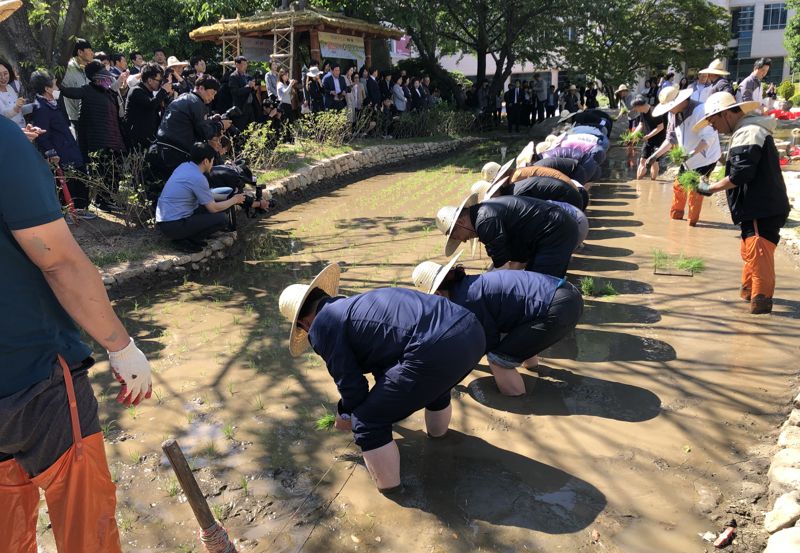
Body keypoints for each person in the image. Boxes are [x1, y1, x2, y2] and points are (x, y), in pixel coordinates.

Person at [0, 104, 152, 553]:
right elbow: (58, 260)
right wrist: (121, 346)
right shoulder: (5, 142)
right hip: (34, 375)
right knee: (88, 529)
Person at [278, 263, 485, 492]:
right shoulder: (356, 305)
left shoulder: (323, 325)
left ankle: (394, 497)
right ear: (325, 295)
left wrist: (348, 415)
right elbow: (386, 366)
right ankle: (440, 440)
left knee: (368, 422)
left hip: (434, 349)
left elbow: (351, 384)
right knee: (432, 384)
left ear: (303, 323)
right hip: (471, 330)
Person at [412, 252, 582, 396]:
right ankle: (533, 367)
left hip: (556, 309)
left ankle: (519, 402)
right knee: (516, 334)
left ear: (437, 293)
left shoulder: (466, 300)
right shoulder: (472, 283)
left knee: (498, 359)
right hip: (568, 294)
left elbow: (486, 341)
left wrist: (454, 372)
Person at [693, 92, 790, 314]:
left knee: (759, 253)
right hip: (759, 206)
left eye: (714, 121)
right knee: (750, 252)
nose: (714, 127)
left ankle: (761, 304)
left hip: (760, 207)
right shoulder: (748, 130)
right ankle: (749, 294)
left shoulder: (748, 132)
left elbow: (741, 174)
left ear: (726, 114)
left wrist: (710, 188)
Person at [437, 193, 578, 277]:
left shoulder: (485, 221)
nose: (463, 241)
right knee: (533, 279)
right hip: (556, 227)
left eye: (456, 236)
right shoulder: (484, 213)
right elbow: (512, 261)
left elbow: (503, 269)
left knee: (541, 282)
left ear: (461, 221)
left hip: (554, 231)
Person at [156, 142, 264, 250]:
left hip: (166, 222)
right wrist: (234, 200)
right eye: (212, 160)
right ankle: (183, 240)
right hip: (174, 224)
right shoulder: (198, 177)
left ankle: (189, 238)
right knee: (222, 219)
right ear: (206, 161)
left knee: (220, 206)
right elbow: (213, 208)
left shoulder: (184, 167)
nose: (213, 163)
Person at [647, 86, 721, 226]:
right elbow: (671, 139)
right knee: (678, 186)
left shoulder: (700, 111)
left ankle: (692, 223)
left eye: (671, 107)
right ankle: (676, 217)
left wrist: (691, 154)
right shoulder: (672, 114)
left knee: (695, 191)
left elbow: (708, 139)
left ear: (681, 101)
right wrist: (654, 156)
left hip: (705, 158)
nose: (669, 110)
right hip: (687, 158)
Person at [28, 70, 95, 217]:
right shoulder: (41, 108)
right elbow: (42, 135)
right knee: (68, 182)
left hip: (69, 148)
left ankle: (81, 209)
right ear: (47, 89)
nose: (57, 87)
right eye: (54, 84)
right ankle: (71, 212)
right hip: (61, 152)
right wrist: (51, 152)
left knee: (79, 178)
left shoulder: (53, 103)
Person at [154, 74, 227, 174]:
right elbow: (204, 132)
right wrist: (221, 125)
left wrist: (211, 120)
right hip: (176, 152)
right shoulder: (197, 103)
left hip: (163, 147)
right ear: (201, 88)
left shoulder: (185, 97)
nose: (213, 97)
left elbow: (193, 122)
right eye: (212, 93)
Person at [123, 62, 171, 151]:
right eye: (159, 81)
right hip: (136, 141)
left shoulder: (149, 93)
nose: (160, 84)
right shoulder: (136, 91)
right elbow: (151, 105)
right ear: (149, 80)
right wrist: (163, 91)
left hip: (148, 139)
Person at [629, 94, 667, 180]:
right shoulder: (642, 113)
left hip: (659, 140)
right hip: (648, 139)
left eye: (635, 107)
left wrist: (648, 136)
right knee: (642, 160)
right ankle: (638, 181)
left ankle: (653, 181)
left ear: (640, 105)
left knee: (654, 161)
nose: (635, 109)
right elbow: (641, 124)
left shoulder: (654, 111)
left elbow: (660, 127)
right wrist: (632, 135)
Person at [62, 38, 94, 134]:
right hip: (76, 119)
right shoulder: (66, 70)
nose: (93, 53)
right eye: (90, 50)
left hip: (92, 116)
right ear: (80, 52)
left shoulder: (90, 68)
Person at [227, 56, 257, 129]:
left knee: (253, 129)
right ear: (237, 64)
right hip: (240, 108)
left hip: (249, 107)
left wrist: (253, 87)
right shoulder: (233, 76)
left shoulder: (247, 76)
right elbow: (235, 92)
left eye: (246, 64)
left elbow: (251, 91)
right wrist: (248, 86)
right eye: (243, 64)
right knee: (241, 130)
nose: (245, 66)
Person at [0, 59, 31, 128]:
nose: (3, 77)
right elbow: (3, 115)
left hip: (22, 128)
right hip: (9, 132)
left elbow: (18, 111)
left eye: (5, 73)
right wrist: (16, 107)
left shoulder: (9, 87)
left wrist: (33, 106)